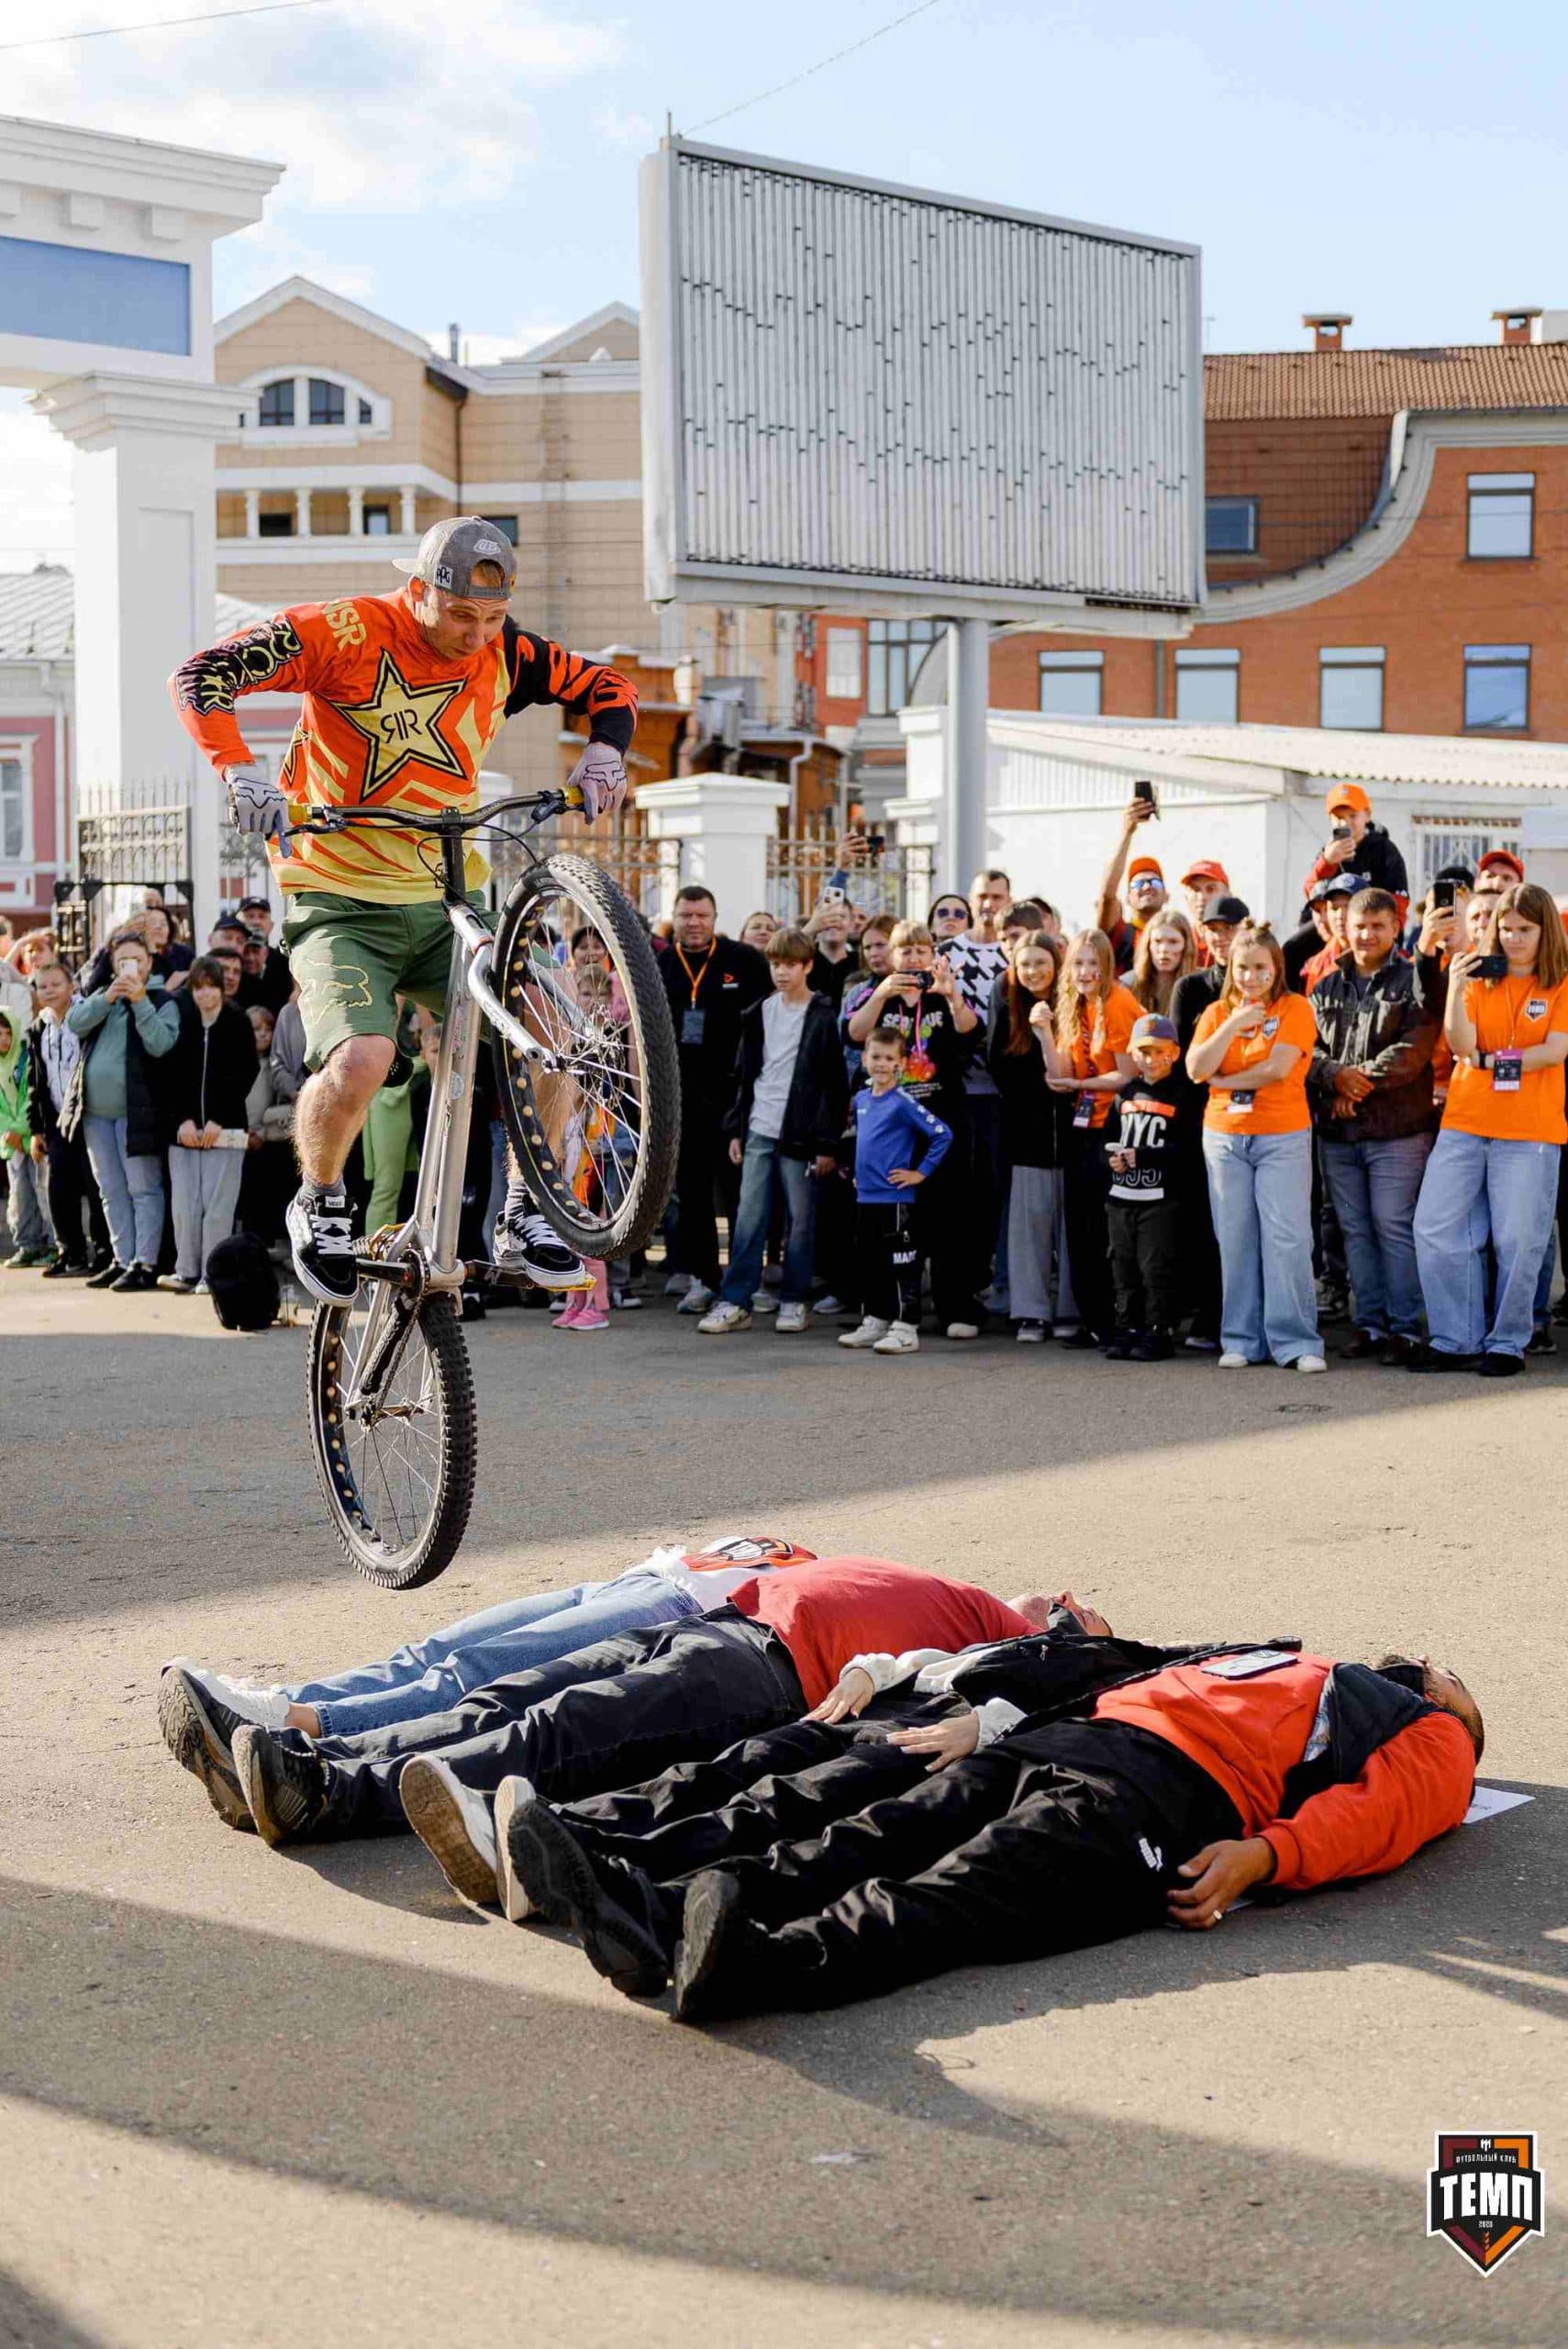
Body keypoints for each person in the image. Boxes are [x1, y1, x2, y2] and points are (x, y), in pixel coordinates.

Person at [171, 515, 638, 1305]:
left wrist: (604, 750)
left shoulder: (506, 651)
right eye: (460, 615)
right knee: (363, 1060)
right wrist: (240, 771)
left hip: (448, 890)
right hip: (337, 893)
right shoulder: (344, 632)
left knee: (553, 1034)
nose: (476, 635)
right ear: (419, 590)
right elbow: (202, 675)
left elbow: (609, 688)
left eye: (492, 617)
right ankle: (320, 1199)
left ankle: (528, 1206)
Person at [641, 1635, 1481, 2021]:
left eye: (1449, 1677)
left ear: (1451, 1704)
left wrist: (1265, 1856)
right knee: (879, 1831)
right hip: (1077, 1739)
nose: (1426, 1661)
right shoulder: (1295, 1658)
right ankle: (661, 1912)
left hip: (1164, 1795)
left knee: (963, 1886)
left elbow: (1380, 1814)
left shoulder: (1430, 1730)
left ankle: (757, 1967)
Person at [195, 1559, 1050, 1876]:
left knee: (551, 1733)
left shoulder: (1025, 1646)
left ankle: (332, 1796)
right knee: (506, 1700)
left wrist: (870, 1669)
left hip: (764, 1674)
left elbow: (965, 1686)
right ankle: (319, 1760)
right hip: (722, 1626)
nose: (1069, 1600)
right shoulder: (979, 1605)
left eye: (1084, 1615)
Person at [159, 1537, 824, 1787]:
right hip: (640, 1579)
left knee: (473, 1671)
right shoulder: (813, 1562)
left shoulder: (845, 1594)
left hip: (671, 1608)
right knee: (432, 1652)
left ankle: (292, 1727)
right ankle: (283, 1702)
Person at [1410, 881, 1568, 1375]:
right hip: (1465, 1122)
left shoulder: (1561, 981)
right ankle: (1455, 1339)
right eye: (1506, 927)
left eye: (1525, 929)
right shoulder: (1477, 975)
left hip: (1530, 1130)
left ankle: (1507, 1342)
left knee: (1519, 1240)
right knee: (1435, 1227)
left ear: (1546, 932)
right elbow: (1461, 1044)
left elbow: (1555, 1050)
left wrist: (1490, 1061)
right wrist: (1457, 986)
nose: (1514, 938)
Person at [1308, 888, 1439, 1364]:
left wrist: (1354, 1083)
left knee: (1392, 1225)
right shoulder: (1324, 987)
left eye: (1378, 926)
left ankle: (1406, 1328)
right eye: (1359, 926)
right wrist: (1334, 1077)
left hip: (1396, 1131)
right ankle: (1370, 1325)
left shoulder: (1412, 982)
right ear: (1344, 928)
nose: (1367, 935)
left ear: (1395, 928)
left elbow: (1414, 1049)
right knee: (1355, 1230)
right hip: (1339, 1134)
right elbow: (1308, 1048)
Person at [1187, 922, 1324, 1372]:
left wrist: (1223, 1081)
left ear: (1276, 968)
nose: (1251, 977)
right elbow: (1195, 1068)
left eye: (1261, 967)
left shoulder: (1295, 1008)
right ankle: (1242, 1340)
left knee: (1287, 1238)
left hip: (1281, 1135)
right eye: (1243, 968)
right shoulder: (1216, 1013)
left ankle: (1296, 1342)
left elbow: (1277, 1069)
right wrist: (1232, 1024)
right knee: (1235, 1238)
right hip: (1225, 1137)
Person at [697, 929, 847, 1337]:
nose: (781, 972)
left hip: (802, 1133)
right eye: (776, 964)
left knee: (800, 1221)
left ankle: (794, 1300)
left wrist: (827, 1143)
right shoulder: (758, 1011)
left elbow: (834, 1085)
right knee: (749, 1218)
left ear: (808, 966)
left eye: (790, 965)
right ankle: (736, 1301)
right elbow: (744, 1075)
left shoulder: (823, 1013)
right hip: (759, 1127)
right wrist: (737, 1130)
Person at [844, 920, 984, 1337]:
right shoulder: (877, 994)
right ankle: (889, 1312)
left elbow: (972, 1032)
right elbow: (853, 1034)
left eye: (922, 950)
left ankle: (955, 1308)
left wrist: (952, 994)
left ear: (932, 955)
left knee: (950, 1219)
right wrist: (880, 994)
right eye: (905, 950)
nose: (914, 958)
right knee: (894, 1225)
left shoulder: (942, 994)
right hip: (891, 1129)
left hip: (940, 1120)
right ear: (891, 956)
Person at [659, 883, 772, 1318]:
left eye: (702, 916)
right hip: (681, 1101)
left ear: (714, 918)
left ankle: (746, 1282)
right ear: (675, 918)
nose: (694, 923)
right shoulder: (659, 966)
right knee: (692, 1196)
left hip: (733, 1097)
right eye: (686, 915)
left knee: (743, 1195)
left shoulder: (743, 961)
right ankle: (704, 1280)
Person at [1033, 929, 1139, 1347]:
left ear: (1108, 965)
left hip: (1113, 1125)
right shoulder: (1072, 1004)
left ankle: (1119, 1321)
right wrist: (1044, 1033)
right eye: (1078, 963)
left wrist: (1078, 1085)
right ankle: (1094, 1319)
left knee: (1109, 1230)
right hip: (1081, 1126)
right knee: (1081, 1228)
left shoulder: (1117, 1002)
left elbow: (1127, 1074)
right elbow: (1059, 1071)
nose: (1085, 971)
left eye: (1094, 963)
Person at [67, 927, 179, 1292]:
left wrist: (140, 1001)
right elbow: (74, 1023)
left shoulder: (162, 999)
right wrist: (106, 999)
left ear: (149, 963)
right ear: (114, 965)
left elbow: (161, 1043)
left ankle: (144, 1263)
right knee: (110, 1190)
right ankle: (122, 1259)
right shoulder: (103, 995)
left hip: (137, 1114)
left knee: (142, 1188)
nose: (130, 967)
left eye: (136, 960)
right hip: (96, 1114)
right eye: (122, 961)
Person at [837, 1025, 952, 1354]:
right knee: (871, 1261)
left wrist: (920, 1173)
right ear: (864, 1059)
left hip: (896, 1200)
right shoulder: (861, 1098)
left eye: (889, 1059)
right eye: (876, 1057)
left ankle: (905, 1326)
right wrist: (858, 1174)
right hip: (866, 1197)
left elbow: (942, 1134)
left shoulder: (903, 1102)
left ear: (901, 1064)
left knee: (901, 1263)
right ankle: (876, 1319)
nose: (882, 1064)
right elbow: (862, 1141)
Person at [159, 954, 261, 1294]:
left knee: (219, 1206)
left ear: (221, 988)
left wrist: (221, 1118)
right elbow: (170, 1077)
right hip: (185, 1133)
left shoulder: (237, 1020)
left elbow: (245, 1071)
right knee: (185, 1205)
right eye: (199, 988)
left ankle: (212, 1274)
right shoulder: (183, 1020)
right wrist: (182, 1120)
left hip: (225, 1131)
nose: (206, 995)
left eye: (211, 987)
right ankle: (186, 1271)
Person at [984, 930, 1065, 1343]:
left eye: (1041, 963)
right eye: (1025, 964)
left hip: (1073, 1131)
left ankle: (1070, 1310)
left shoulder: (1071, 1004)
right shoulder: (1006, 1004)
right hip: (1026, 1133)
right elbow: (998, 1065)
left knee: (1071, 1231)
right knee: (1028, 1228)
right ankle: (1031, 1313)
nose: (1034, 971)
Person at [1102, 1013, 1186, 1360]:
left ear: (1174, 1053)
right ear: (1132, 1054)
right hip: (1121, 1197)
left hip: (1159, 1200)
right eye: (1143, 1052)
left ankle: (1157, 1331)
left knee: (1155, 1266)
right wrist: (1111, 1159)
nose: (1151, 1059)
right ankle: (1127, 1327)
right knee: (1122, 1265)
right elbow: (1107, 1138)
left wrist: (1146, 1157)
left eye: (1159, 1052)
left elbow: (1187, 1149)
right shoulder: (1125, 1094)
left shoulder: (1182, 1093)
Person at [23, 962, 107, 1277]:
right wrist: (37, 1128)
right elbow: (36, 1081)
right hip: (58, 1120)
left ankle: (104, 1251)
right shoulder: (39, 1027)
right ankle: (70, 1251)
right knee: (58, 1187)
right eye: (42, 986)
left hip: (89, 1115)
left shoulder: (87, 1017)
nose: (49, 991)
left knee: (95, 1185)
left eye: (56, 984)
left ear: (72, 986)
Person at [1300, 785, 1408, 918]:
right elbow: (1311, 895)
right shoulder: (1326, 852)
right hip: (1336, 923)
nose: (1345, 823)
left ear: (1367, 815)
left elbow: (1400, 900)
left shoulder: (1383, 849)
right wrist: (1327, 863)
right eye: (1339, 818)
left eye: (1352, 816)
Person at [0, 1008, 53, 1267]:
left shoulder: (25, 1058)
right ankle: (28, 1245)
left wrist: (19, 1130)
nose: (3, 1040)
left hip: (32, 1136)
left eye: (7, 1033)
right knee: (19, 1195)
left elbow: (30, 1096)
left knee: (44, 1191)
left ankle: (54, 1245)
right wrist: (7, 1132)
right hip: (10, 1142)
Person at [1094, 796, 1167, 971]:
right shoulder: (1120, 934)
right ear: (1127, 898)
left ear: (1167, 896)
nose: (1147, 887)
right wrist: (1127, 832)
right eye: (1138, 883)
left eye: (1155, 882)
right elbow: (1107, 895)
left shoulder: (1175, 936)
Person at [1128, 909, 1197, 1019]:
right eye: (1157, 941)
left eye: (1173, 942)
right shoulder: (1128, 985)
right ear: (1148, 945)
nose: (1164, 949)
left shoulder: (1201, 986)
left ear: (1186, 946)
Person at [1178, 859, 1232, 937]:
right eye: (1195, 890)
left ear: (1228, 896)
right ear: (1186, 898)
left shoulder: (1243, 940)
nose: (1202, 897)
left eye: (1211, 889)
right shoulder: (1180, 941)